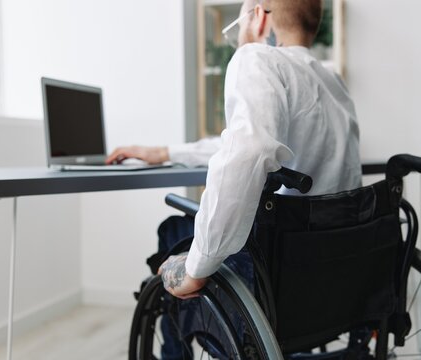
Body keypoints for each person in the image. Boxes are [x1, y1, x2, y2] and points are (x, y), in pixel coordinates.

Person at [111, 0, 361, 356]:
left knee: (174, 231)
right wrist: (164, 152)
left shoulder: (257, 58)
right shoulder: (333, 83)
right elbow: (246, 142)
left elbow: (251, 150)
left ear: (258, 16)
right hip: (329, 270)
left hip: (275, 269)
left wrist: (197, 266)